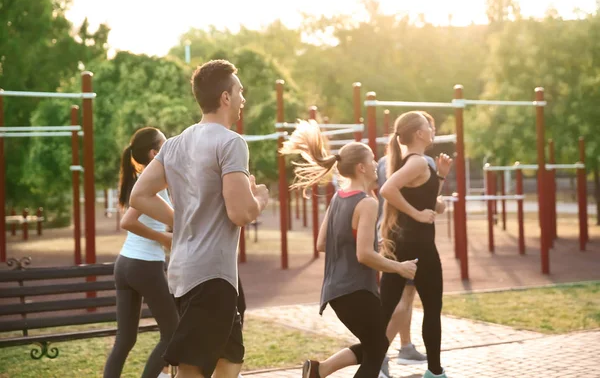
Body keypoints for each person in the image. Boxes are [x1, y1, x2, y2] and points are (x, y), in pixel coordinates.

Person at [129, 60, 269, 378]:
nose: (243, 98)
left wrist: (182, 221)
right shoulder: (231, 142)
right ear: (225, 97)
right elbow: (241, 212)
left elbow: (139, 196)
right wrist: (260, 196)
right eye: (240, 91)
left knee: (230, 358)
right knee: (193, 369)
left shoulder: (175, 144)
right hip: (212, 277)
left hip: (184, 273)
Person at [280, 119, 418, 378]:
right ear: (362, 167)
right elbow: (363, 255)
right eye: (374, 160)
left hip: (335, 291)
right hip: (356, 290)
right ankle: (319, 372)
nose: (378, 165)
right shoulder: (366, 203)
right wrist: (399, 267)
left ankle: (319, 371)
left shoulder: (338, 197)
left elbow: (323, 243)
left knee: (374, 345)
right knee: (377, 350)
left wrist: (360, 240)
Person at [379, 111, 453, 378]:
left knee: (385, 310)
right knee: (432, 310)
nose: (432, 129)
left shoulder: (420, 164)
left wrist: (441, 178)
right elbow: (387, 189)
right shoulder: (418, 162)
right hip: (418, 248)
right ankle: (434, 372)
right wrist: (416, 214)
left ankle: (371, 364)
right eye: (429, 126)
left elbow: (428, 200)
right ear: (420, 134)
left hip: (404, 244)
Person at [103, 127, 178, 378]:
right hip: (144, 266)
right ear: (154, 152)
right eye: (165, 144)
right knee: (172, 333)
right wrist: (164, 238)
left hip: (125, 264)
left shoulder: (148, 178)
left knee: (125, 341)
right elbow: (127, 222)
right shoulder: (150, 181)